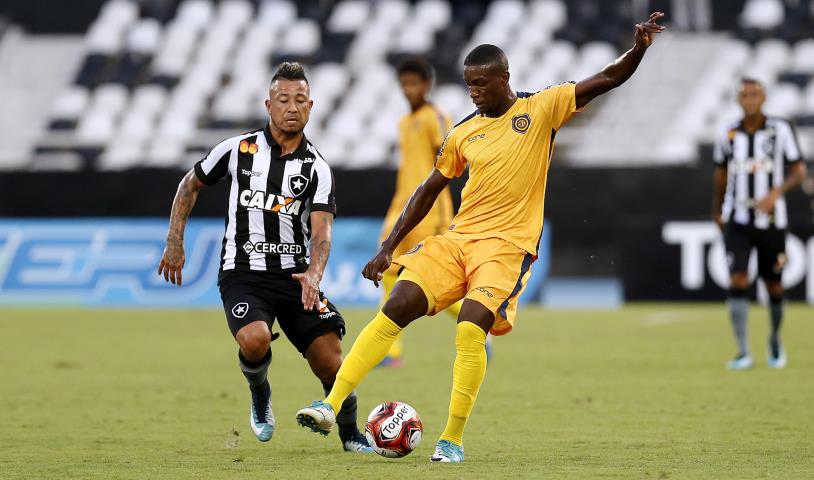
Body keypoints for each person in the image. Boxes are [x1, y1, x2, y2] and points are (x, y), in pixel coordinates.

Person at [297, 13, 666, 462]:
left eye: (481, 83)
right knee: (395, 306)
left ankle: (451, 440)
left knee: (471, 328)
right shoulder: (463, 132)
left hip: (507, 248)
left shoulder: (543, 107)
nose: (473, 91)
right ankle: (330, 405)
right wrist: (389, 247)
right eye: (469, 84)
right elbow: (428, 189)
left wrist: (640, 48)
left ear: (504, 78)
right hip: (458, 240)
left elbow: (608, 77)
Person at [158, 62, 371, 452]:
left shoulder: (317, 168)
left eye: (300, 100)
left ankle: (350, 435)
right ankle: (260, 396)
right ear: (268, 105)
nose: (292, 107)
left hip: (294, 277)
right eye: (284, 99)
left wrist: (314, 274)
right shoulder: (238, 149)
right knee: (255, 340)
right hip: (243, 273)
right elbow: (190, 184)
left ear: (312, 107)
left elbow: (322, 232)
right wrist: (175, 240)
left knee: (330, 363)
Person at [712, 78, 807, 370]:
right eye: (744, 95)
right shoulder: (727, 132)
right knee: (737, 279)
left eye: (754, 94)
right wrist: (716, 210)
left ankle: (775, 340)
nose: (750, 100)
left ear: (763, 97)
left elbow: (799, 171)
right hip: (737, 219)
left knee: (774, 286)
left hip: (772, 221)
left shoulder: (780, 129)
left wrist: (775, 192)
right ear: (738, 100)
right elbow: (721, 173)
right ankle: (743, 351)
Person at [377, 56, 466, 368]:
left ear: (427, 85)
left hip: (431, 212)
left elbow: (451, 157)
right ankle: (391, 352)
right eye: (404, 84)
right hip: (401, 209)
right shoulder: (404, 122)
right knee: (386, 270)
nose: (408, 90)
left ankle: (476, 320)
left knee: (434, 280)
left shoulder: (436, 117)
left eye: (413, 84)